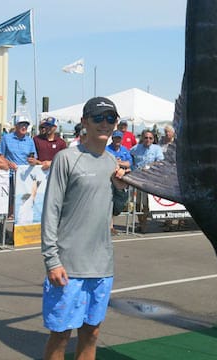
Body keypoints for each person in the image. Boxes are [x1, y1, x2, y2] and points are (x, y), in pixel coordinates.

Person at [41, 96, 127, 360]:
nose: (105, 124)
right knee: (61, 335)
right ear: (84, 122)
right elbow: (50, 211)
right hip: (68, 265)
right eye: (98, 118)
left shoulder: (112, 162)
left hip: (101, 266)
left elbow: (115, 209)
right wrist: (52, 260)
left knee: (92, 333)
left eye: (110, 118)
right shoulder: (66, 158)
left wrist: (121, 190)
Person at [0, 118, 39, 218]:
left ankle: (19, 229)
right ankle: (7, 229)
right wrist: (8, 163)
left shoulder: (30, 141)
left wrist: (33, 161)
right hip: (10, 175)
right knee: (10, 202)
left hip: (25, 177)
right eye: (21, 125)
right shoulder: (6, 138)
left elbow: (34, 157)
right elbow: (0, 155)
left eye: (26, 125)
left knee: (24, 203)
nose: (24, 127)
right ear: (16, 126)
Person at [130, 129, 164, 233]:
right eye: (146, 138)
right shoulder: (136, 148)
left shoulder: (157, 148)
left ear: (153, 139)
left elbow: (160, 161)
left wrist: (149, 166)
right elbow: (129, 156)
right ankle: (140, 222)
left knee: (145, 203)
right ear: (142, 138)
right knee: (136, 202)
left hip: (149, 179)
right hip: (137, 178)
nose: (148, 140)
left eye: (150, 138)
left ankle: (144, 224)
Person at [106, 130, 133, 235]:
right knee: (109, 202)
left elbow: (129, 163)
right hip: (109, 178)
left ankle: (110, 224)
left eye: (119, 138)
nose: (117, 140)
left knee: (120, 203)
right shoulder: (107, 149)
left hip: (121, 179)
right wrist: (119, 164)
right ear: (112, 138)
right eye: (115, 138)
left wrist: (118, 162)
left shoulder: (125, 150)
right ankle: (110, 226)